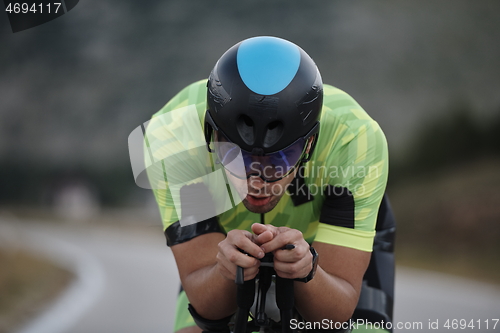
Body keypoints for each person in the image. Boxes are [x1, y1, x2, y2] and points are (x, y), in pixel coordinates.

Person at [146, 36, 395, 333]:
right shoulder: (174, 137)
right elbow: (206, 299)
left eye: (280, 158)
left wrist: (309, 271)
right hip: (219, 241)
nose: (257, 181)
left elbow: (335, 312)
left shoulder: (355, 141)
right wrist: (225, 273)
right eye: (236, 156)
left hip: (326, 249)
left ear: (310, 144)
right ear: (210, 134)